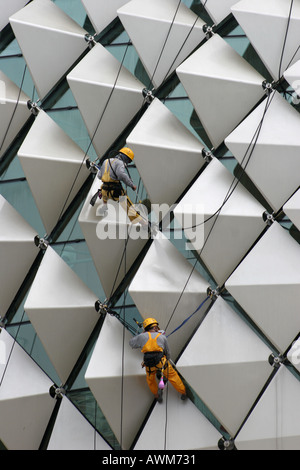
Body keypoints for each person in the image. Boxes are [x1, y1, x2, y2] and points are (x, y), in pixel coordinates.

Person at [129, 317, 187, 403]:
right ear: (155, 327)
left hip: (149, 364)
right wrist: (166, 359)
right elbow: (168, 352)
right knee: (172, 376)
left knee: (150, 380)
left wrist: (142, 334)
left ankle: (157, 395)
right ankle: (183, 392)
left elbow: (131, 343)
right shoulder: (162, 337)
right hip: (161, 362)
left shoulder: (142, 337)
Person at [88, 147, 146, 224]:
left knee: (103, 190)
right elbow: (121, 175)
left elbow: (99, 176)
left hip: (105, 191)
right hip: (116, 192)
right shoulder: (120, 163)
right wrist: (131, 185)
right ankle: (144, 224)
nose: (127, 163)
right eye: (128, 161)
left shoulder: (106, 161)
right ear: (126, 158)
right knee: (130, 208)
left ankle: (104, 206)